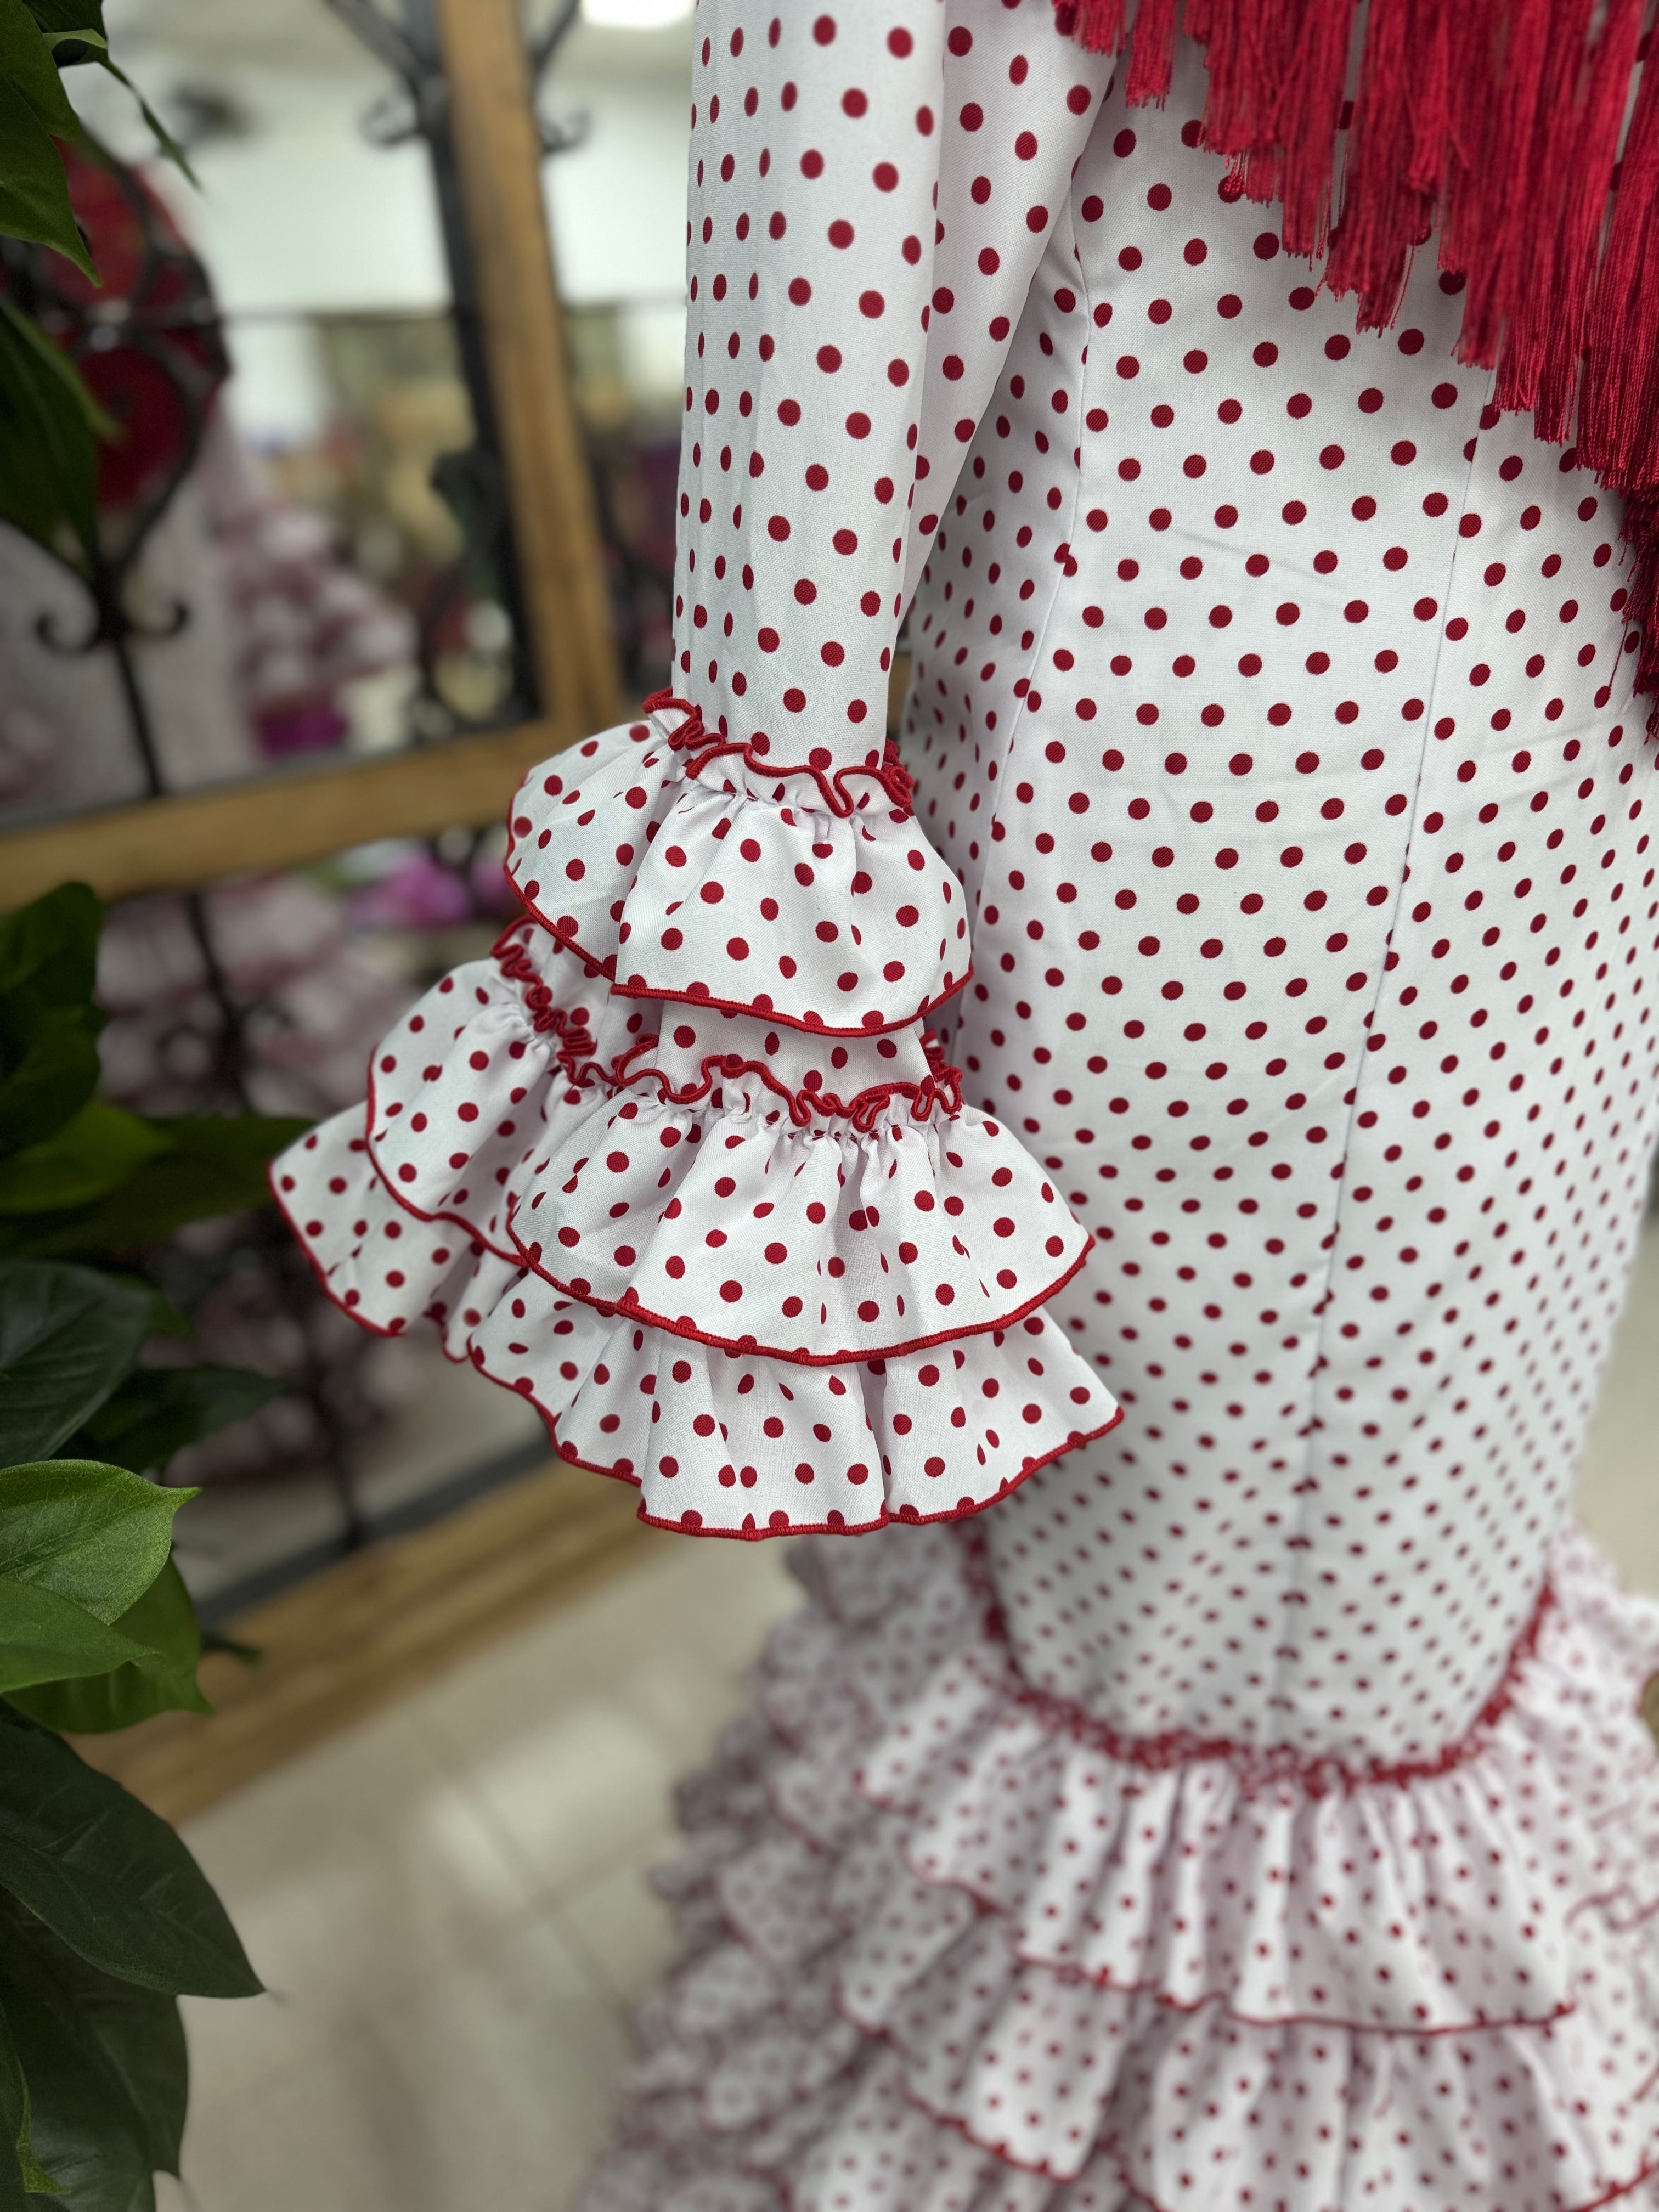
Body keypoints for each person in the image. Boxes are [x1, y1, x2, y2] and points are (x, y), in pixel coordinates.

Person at [275, 3, 1659, 2203]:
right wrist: (779, 740)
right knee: (1200, 1703)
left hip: (1546, 852)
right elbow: (852, 91)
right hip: (1218, 833)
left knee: (1370, 1684)